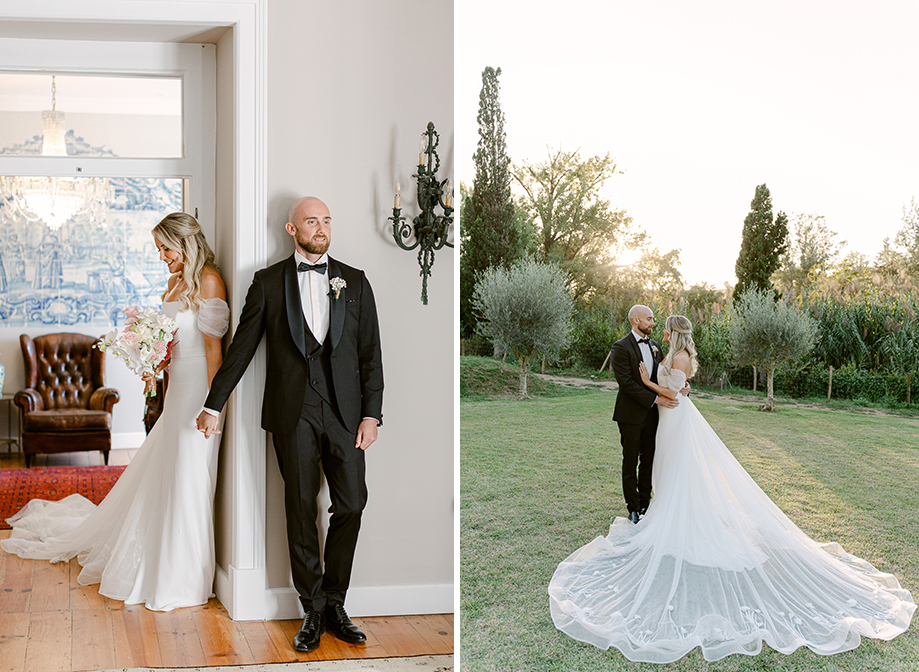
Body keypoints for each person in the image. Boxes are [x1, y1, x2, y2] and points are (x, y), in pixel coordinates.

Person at [549, 315, 916, 663]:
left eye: (664, 327)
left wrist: (649, 382)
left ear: (673, 332)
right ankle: (660, 508)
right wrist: (663, 383)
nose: (659, 330)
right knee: (665, 468)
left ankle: (681, 515)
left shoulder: (677, 355)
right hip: (668, 417)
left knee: (678, 469)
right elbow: (677, 385)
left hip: (675, 416)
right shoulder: (673, 353)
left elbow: (672, 393)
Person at [1, 212, 230, 612]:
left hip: (200, 395)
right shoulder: (173, 283)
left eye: (166, 249)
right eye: (159, 250)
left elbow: (214, 352)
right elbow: (173, 344)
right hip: (176, 391)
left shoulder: (209, 281)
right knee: (170, 477)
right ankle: (165, 565)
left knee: (191, 479)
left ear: (185, 244)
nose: (162, 257)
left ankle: (185, 577)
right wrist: (155, 364)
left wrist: (214, 406)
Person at [196, 196, 383, 653]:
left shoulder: (355, 281)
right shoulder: (268, 282)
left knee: (352, 504)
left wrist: (372, 414)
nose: (321, 228)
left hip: (346, 415)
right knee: (300, 510)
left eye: (326, 221)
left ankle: (335, 602)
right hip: (292, 414)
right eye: (311, 221)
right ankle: (312, 610)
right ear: (291, 229)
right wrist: (213, 406)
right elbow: (240, 349)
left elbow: (370, 355)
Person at [610, 305, 679, 524]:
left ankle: (645, 505)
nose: (653, 323)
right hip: (630, 415)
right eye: (649, 319)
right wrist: (656, 399)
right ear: (636, 320)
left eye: (652, 318)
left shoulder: (656, 346)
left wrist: (681, 386)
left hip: (652, 416)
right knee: (630, 461)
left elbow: (663, 376)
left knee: (648, 460)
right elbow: (626, 383)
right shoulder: (620, 347)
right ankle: (632, 508)